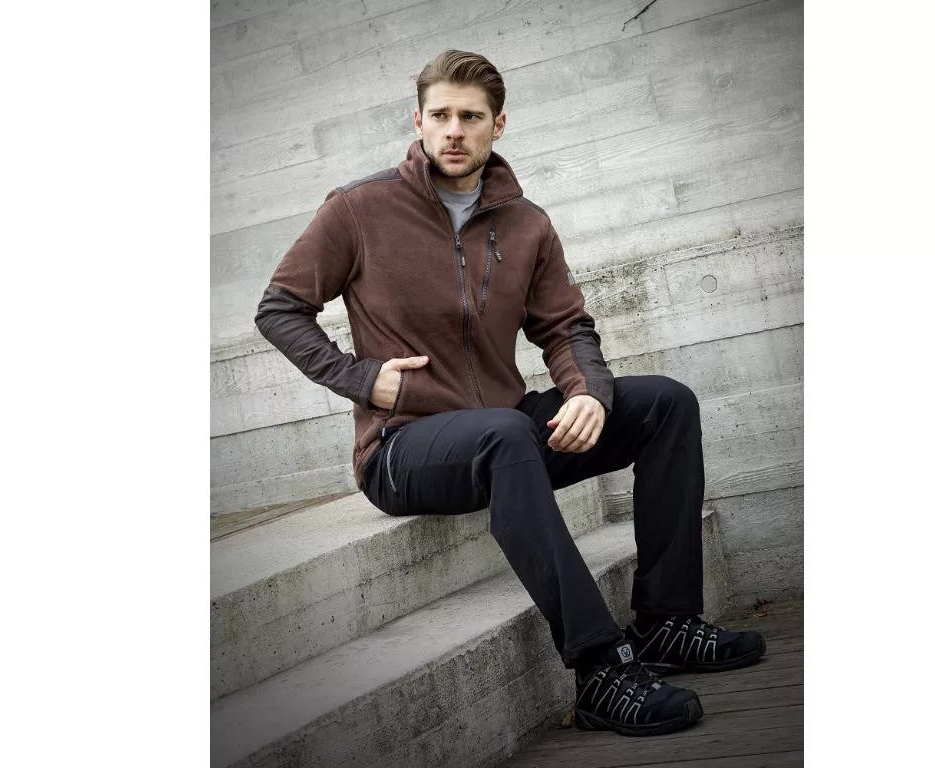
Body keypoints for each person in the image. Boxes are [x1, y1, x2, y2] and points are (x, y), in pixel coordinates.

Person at [254, 49, 766, 738]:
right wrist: (359, 377)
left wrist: (587, 394)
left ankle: (667, 622)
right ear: (417, 121)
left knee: (665, 403)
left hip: (507, 429)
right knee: (506, 431)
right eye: (440, 115)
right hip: (403, 448)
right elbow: (279, 308)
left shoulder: (526, 223)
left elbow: (565, 326)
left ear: (498, 126)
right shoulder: (358, 210)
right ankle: (599, 668)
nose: (454, 130)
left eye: (471, 117)